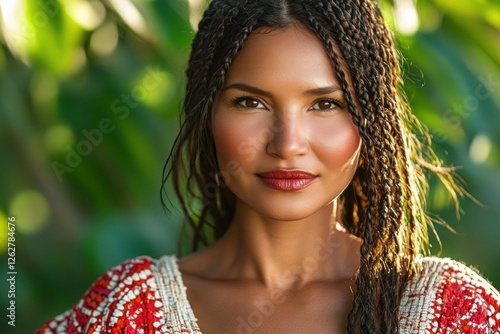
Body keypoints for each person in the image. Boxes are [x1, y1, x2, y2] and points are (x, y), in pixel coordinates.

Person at [37, 0, 500, 333]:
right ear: (206, 114)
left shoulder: (450, 311)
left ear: (371, 122)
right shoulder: (129, 310)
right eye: (251, 102)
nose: (288, 143)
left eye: (324, 104)